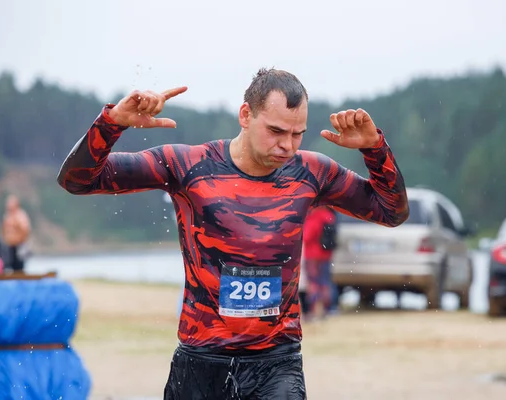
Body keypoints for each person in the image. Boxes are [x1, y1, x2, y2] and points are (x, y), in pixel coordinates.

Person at [57, 68, 409, 400]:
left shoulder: (312, 171)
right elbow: (78, 180)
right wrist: (111, 124)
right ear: (245, 115)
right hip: (201, 362)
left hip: (277, 364)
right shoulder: (187, 165)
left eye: (297, 133)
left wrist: (374, 148)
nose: (287, 145)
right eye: (275, 131)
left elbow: (391, 212)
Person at [302, 206, 337, 321]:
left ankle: (314, 311)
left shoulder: (314, 216)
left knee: (313, 284)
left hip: (312, 255)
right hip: (326, 255)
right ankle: (328, 309)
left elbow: (306, 236)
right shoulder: (330, 215)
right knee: (325, 283)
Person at [1, 194, 32, 272]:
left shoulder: (20, 215)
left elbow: (25, 230)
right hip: (9, 245)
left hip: (19, 246)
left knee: (18, 266)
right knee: (9, 265)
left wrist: (18, 240)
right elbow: (4, 229)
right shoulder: (7, 216)